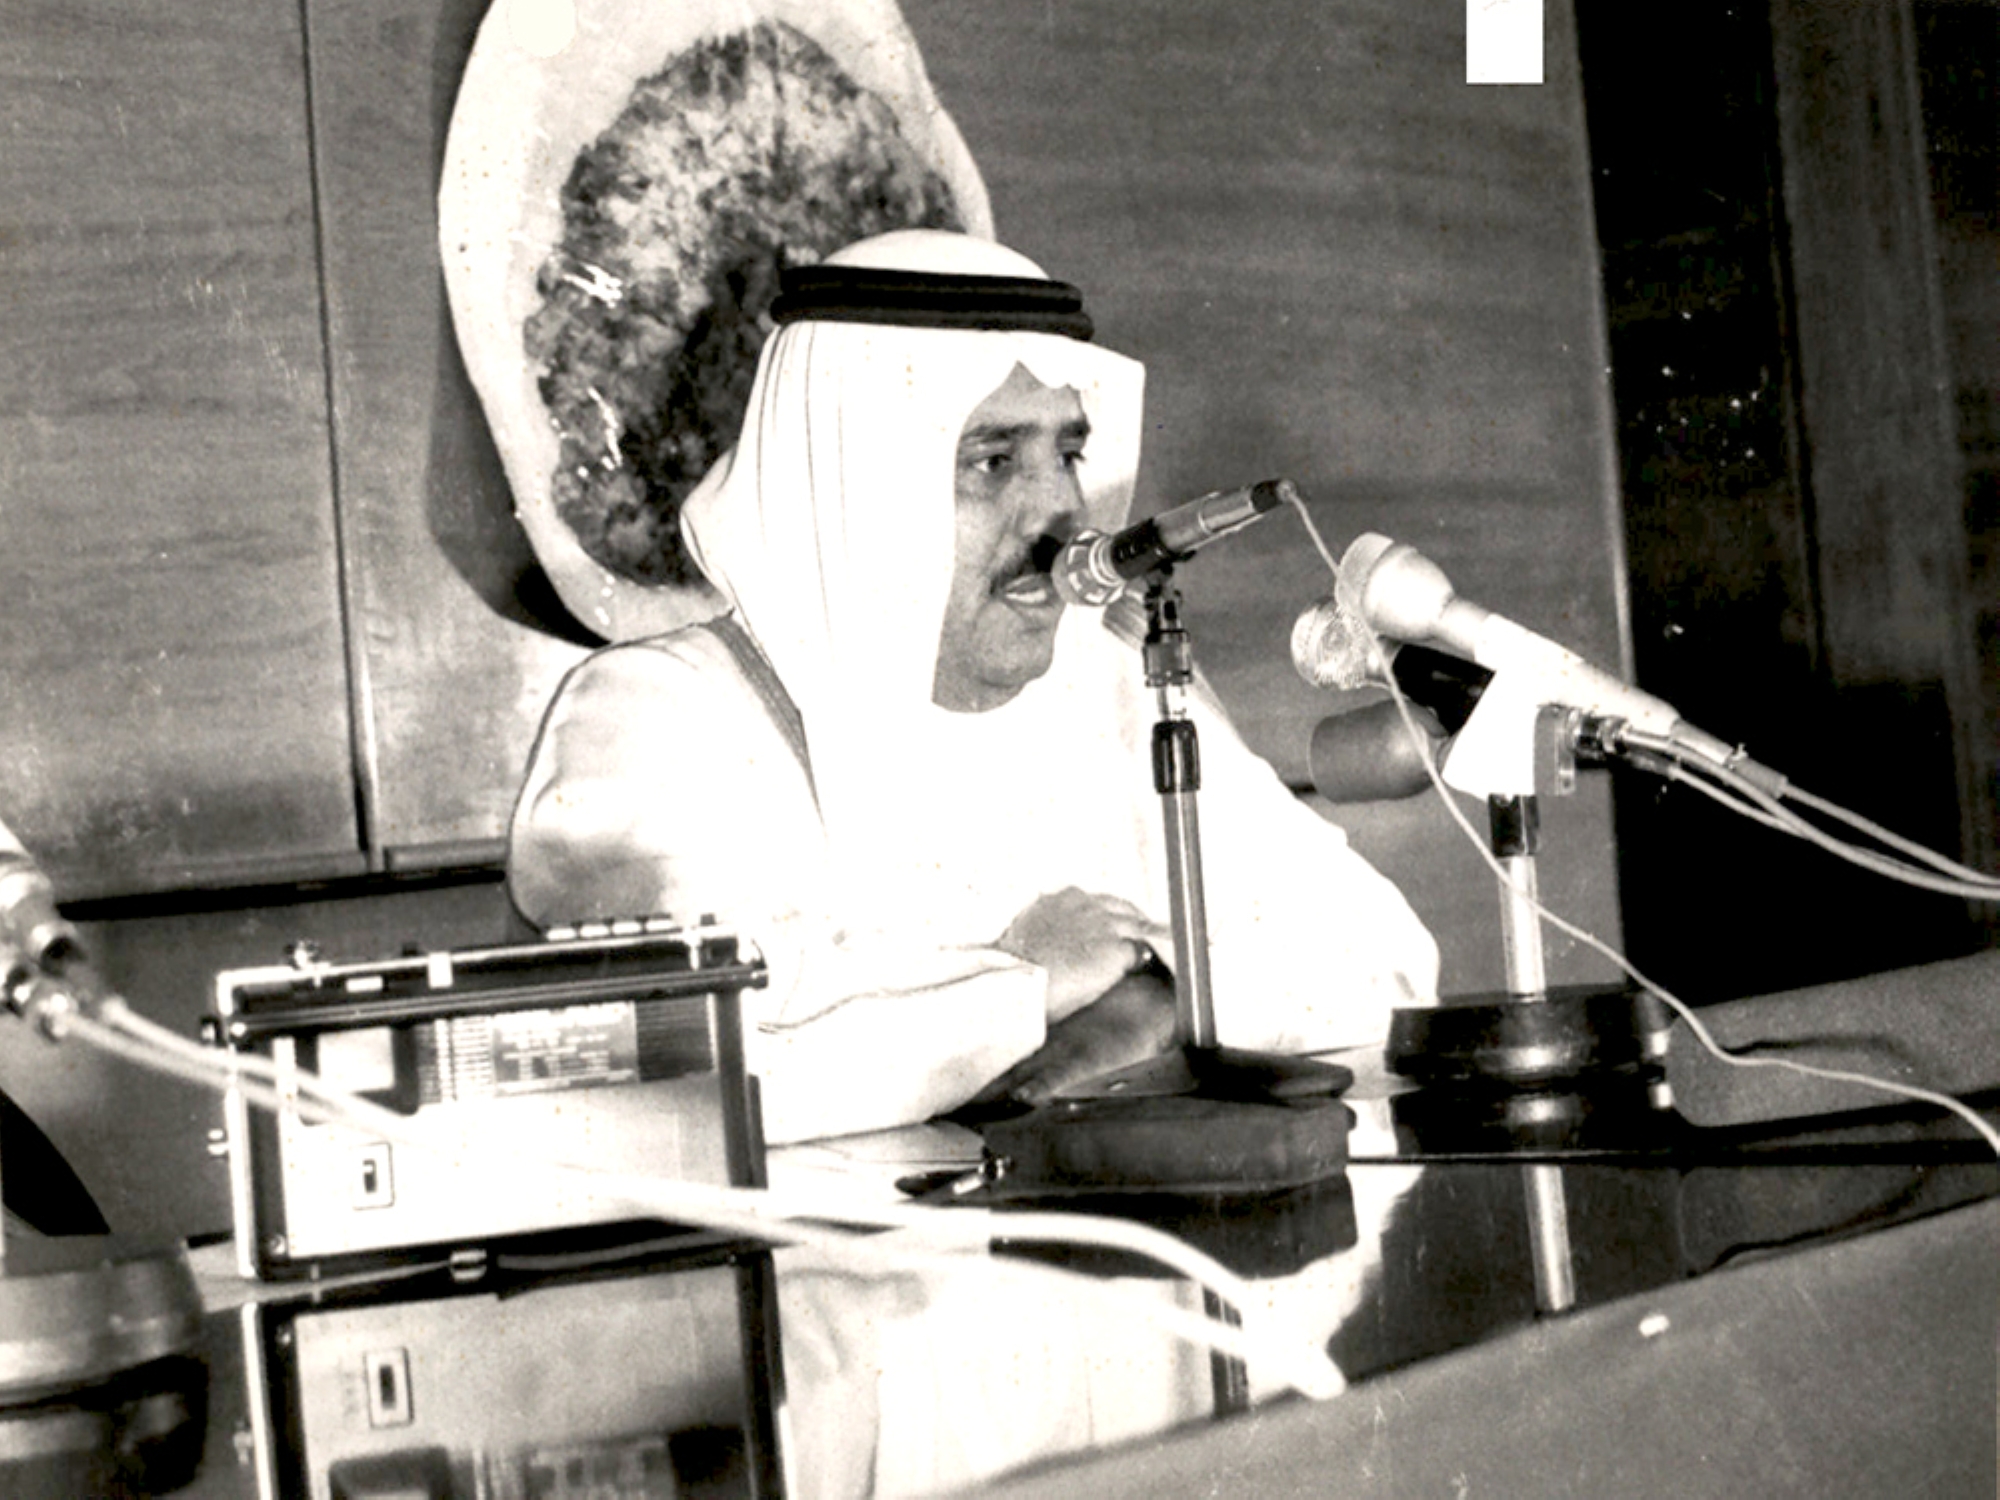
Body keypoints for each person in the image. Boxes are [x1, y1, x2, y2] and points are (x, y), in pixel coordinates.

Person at [509, 229, 1438, 1144]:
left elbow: (1389, 961)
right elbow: (678, 1075)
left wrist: (1150, 998)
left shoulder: (1119, 685)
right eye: (992, 462)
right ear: (858, 489)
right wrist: (1022, 984)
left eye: (1067, 454)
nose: (1062, 511)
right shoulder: (654, 717)